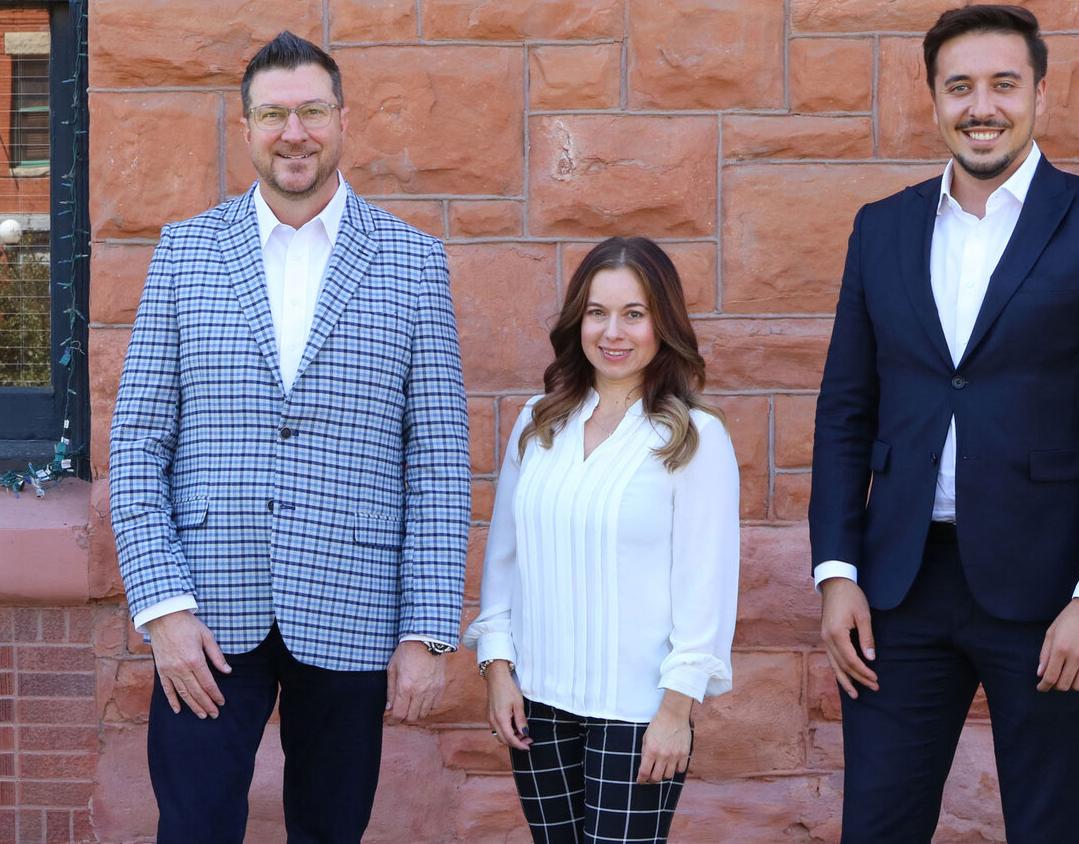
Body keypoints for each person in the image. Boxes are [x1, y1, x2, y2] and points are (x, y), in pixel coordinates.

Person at [808, 6, 1079, 843]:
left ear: (1040, 93)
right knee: (877, 824)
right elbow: (844, 411)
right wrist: (836, 572)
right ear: (934, 100)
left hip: (1051, 595)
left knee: (1046, 825)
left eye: (1004, 84)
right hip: (897, 590)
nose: (983, 105)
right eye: (959, 85)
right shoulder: (881, 228)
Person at [108, 31, 470, 844]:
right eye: (274, 114)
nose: (294, 132)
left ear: (343, 120)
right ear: (246, 128)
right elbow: (136, 441)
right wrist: (162, 607)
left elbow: (440, 461)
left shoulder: (414, 264)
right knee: (194, 827)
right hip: (203, 614)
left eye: (311, 111)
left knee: (331, 830)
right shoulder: (185, 253)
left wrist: (426, 630)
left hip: (353, 605)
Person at [463, 236, 740, 844]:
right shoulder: (539, 423)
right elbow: (504, 560)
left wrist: (677, 711)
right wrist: (497, 669)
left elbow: (706, 585)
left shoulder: (694, 437)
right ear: (577, 321)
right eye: (597, 312)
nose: (613, 332)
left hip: (639, 713)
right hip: (536, 703)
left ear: (662, 323)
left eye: (634, 314)